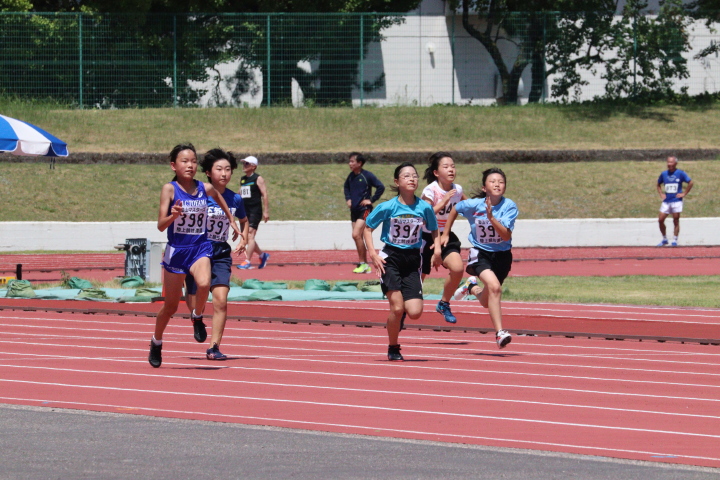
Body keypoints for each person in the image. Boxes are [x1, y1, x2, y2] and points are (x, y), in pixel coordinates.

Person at [148, 143, 241, 368]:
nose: (190, 165)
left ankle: (197, 315)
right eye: (185, 161)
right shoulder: (169, 189)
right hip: (177, 251)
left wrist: (231, 220)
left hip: (200, 247)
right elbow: (160, 226)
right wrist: (173, 216)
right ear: (174, 166)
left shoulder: (204, 187)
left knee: (204, 283)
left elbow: (219, 197)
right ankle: (156, 341)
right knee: (170, 307)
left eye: (193, 161)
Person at [363, 162, 441, 361]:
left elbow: (434, 229)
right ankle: (393, 347)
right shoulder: (387, 207)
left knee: (414, 312)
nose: (412, 179)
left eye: (414, 176)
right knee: (397, 308)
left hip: (413, 259)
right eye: (406, 176)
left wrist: (438, 249)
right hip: (391, 258)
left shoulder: (424, 207)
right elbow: (367, 228)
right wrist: (372, 254)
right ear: (397, 182)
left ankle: (397, 317)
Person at [185, 148, 249, 361]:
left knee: (221, 300)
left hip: (220, 253)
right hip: (196, 252)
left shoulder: (235, 199)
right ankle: (197, 317)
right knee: (194, 301)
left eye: (228, 169)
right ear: (208, 173)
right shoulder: (198, 196)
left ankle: (214, 347)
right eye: (219, 169)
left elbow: (244, 220)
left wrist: (243, 239)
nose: (224, 173)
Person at [443, 167, 518, 349]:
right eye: (492, 181)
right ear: (484, 187)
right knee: (495, 287)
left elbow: (506, 236)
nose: (497, 184)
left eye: (501, 182)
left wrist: (491, 218)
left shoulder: (509, 206)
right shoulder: (474, 205)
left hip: (502, 256)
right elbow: (455, 209)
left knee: (486, 300)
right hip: (480, 253)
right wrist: (445, 233)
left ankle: (471, 287)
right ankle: (500, 333)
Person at [420, 152, 467, 324]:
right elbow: (425, 214)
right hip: (425, 236)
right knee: (418, 279)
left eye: (453, 166)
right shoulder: (430, 190)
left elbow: (465, 206)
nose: (451, 169)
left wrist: (484, 210)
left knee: (458, 268)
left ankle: (444, 303)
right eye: (446, 167)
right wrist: (444, 201)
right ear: (436, 172)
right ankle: (403, 309)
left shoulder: (458, 190)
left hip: (445, 234)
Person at [344, 152, 385, 274]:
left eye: (352, 161)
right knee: (357, 237)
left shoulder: (367, 176)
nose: (350, 164)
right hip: (354, 210)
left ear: (359, 163)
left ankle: (364, 264)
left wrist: (371, 200)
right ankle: (363, 263)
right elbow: (346, 187)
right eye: (349, 161)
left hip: (364, 209)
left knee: (356, 234)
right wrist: (348, 199)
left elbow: (380, 187)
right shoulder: (351, 176)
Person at [237, 156, 270, 269]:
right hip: (244, 211)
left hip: (255, 211)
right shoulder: (243, 179)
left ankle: (247, 261)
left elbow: (264, 194)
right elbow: (240, 193)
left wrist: (266, 211)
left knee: (250, 235)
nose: (244, 166)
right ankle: (262, 255)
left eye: (246, 164)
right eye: (244, 163)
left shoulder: (258, 178)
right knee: (246, 236)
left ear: (253, 166)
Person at [657, 156, 693, 247]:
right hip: (666, 201)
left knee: (676, 220)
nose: (669, 164)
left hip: (676, 201)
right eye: (668, 162)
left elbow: (690, 182)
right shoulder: (664, 174)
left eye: (671, 162)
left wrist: (684, 193)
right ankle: (664, 239)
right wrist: (661, 193)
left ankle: (675, 240)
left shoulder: (680, 173)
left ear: (675, 163)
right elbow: (658, 184)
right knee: (660, 220)